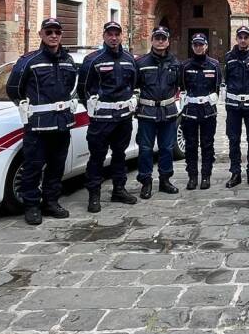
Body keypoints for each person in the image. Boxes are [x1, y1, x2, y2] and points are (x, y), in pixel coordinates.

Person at [5, 17, 77, 225]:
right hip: (37, 125)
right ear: (41, 34)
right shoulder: (29, 61)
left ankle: (51, 202)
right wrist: (30, 108)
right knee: (33, 167)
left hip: (62, 123)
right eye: (49, 32)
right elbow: (13, 89)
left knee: (56, 166)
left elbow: (71, 85)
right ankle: (32, 206)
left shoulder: (68, 60)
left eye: (57, 32)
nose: (53, 36)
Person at [79, 21, 139, 214]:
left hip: (123, 118)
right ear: (104, 36)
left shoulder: (129, 59)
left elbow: (134, 84)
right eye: (110, 34)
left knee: (120, 155)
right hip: (101, 120)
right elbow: (83, 89)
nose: (113, 38)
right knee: (97, 157)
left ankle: (119, 190)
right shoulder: (93, 60)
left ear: (121, 36)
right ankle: (94, 195)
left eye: (117, 34)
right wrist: (93, 107)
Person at [135, 26, 182, 199]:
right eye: (157, 38)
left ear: (168, 41)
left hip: (168, 112)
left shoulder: (175, 63)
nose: (160, 41)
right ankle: (146, 182)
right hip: (147, 112)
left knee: (167, 148)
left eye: (163, 38)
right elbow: (134, 86)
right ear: (152, 40)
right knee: (146, 149)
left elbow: (179, 86)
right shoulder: (141, 63)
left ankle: (165, 180)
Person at [223, 25, 249, 189]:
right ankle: (235, 173)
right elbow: (226, 79)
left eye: (245, 37)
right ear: (236, 38)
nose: (242, 40)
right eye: (240, 37)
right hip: (233, 106)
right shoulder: (229, 57)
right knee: (233, 140)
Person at [180, 33, 222, 190]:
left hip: (208, 111)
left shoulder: (214, 65)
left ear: (206, 46)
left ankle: (206, 176)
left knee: (207, 144)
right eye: (195, 45)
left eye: (201, 45)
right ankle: (192, 177)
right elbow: (182, 87)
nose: (198, 48)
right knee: (190, 145)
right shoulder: (185, 66)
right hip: (190, 111)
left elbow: (217, 87)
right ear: (192, 47)